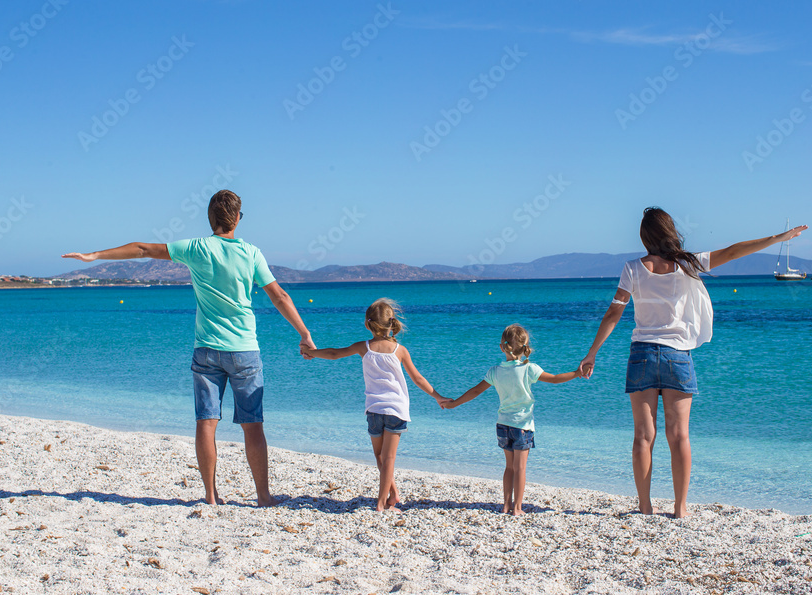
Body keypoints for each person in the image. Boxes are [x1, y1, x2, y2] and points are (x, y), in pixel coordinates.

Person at [62, 189, 315, 506]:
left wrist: (94, 256)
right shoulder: (251, 253)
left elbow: (142, 249)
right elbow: (280, 296)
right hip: (244, 351)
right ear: (237, 218)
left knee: (206, 423)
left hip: (206, 349)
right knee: (253, 426)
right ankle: (263, 497)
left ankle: (210, 496)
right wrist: (304, 334)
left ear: (211, 219)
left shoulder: (195, 249)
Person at [579, 207, 807, 518]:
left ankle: (645, 507)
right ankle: (680, 508)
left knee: (644, 436)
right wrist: (779, 238)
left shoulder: (632, 268)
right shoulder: (689, 263)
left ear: (644, 236)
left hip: (643, 354)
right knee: (679, 435)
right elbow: (735, 250)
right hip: (677, 356)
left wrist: (592, 353)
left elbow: (614, 312)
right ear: (670, 231)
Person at [300, 298, 449, 511]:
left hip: (374, 410)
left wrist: (311, 352)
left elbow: (334, 353)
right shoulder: (400, 350)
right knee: (388, 458)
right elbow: (418, 379)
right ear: (392, 323)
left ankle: (391, 495)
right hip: (396, 410)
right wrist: (438, 396)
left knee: (381, 458)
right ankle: (384, 501)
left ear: (368, 324)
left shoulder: (364, 347)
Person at [442, 324, 585, 515]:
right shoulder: (529, 369)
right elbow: (556, 378)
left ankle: (506, 505)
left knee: (509, 467)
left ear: (503, 347)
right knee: (520, 468)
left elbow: (475, 391)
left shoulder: (495, 371)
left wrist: (454, 404)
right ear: (526, 347)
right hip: (523, 426)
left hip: (503, 425)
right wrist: (577, 373)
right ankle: (518, 507)